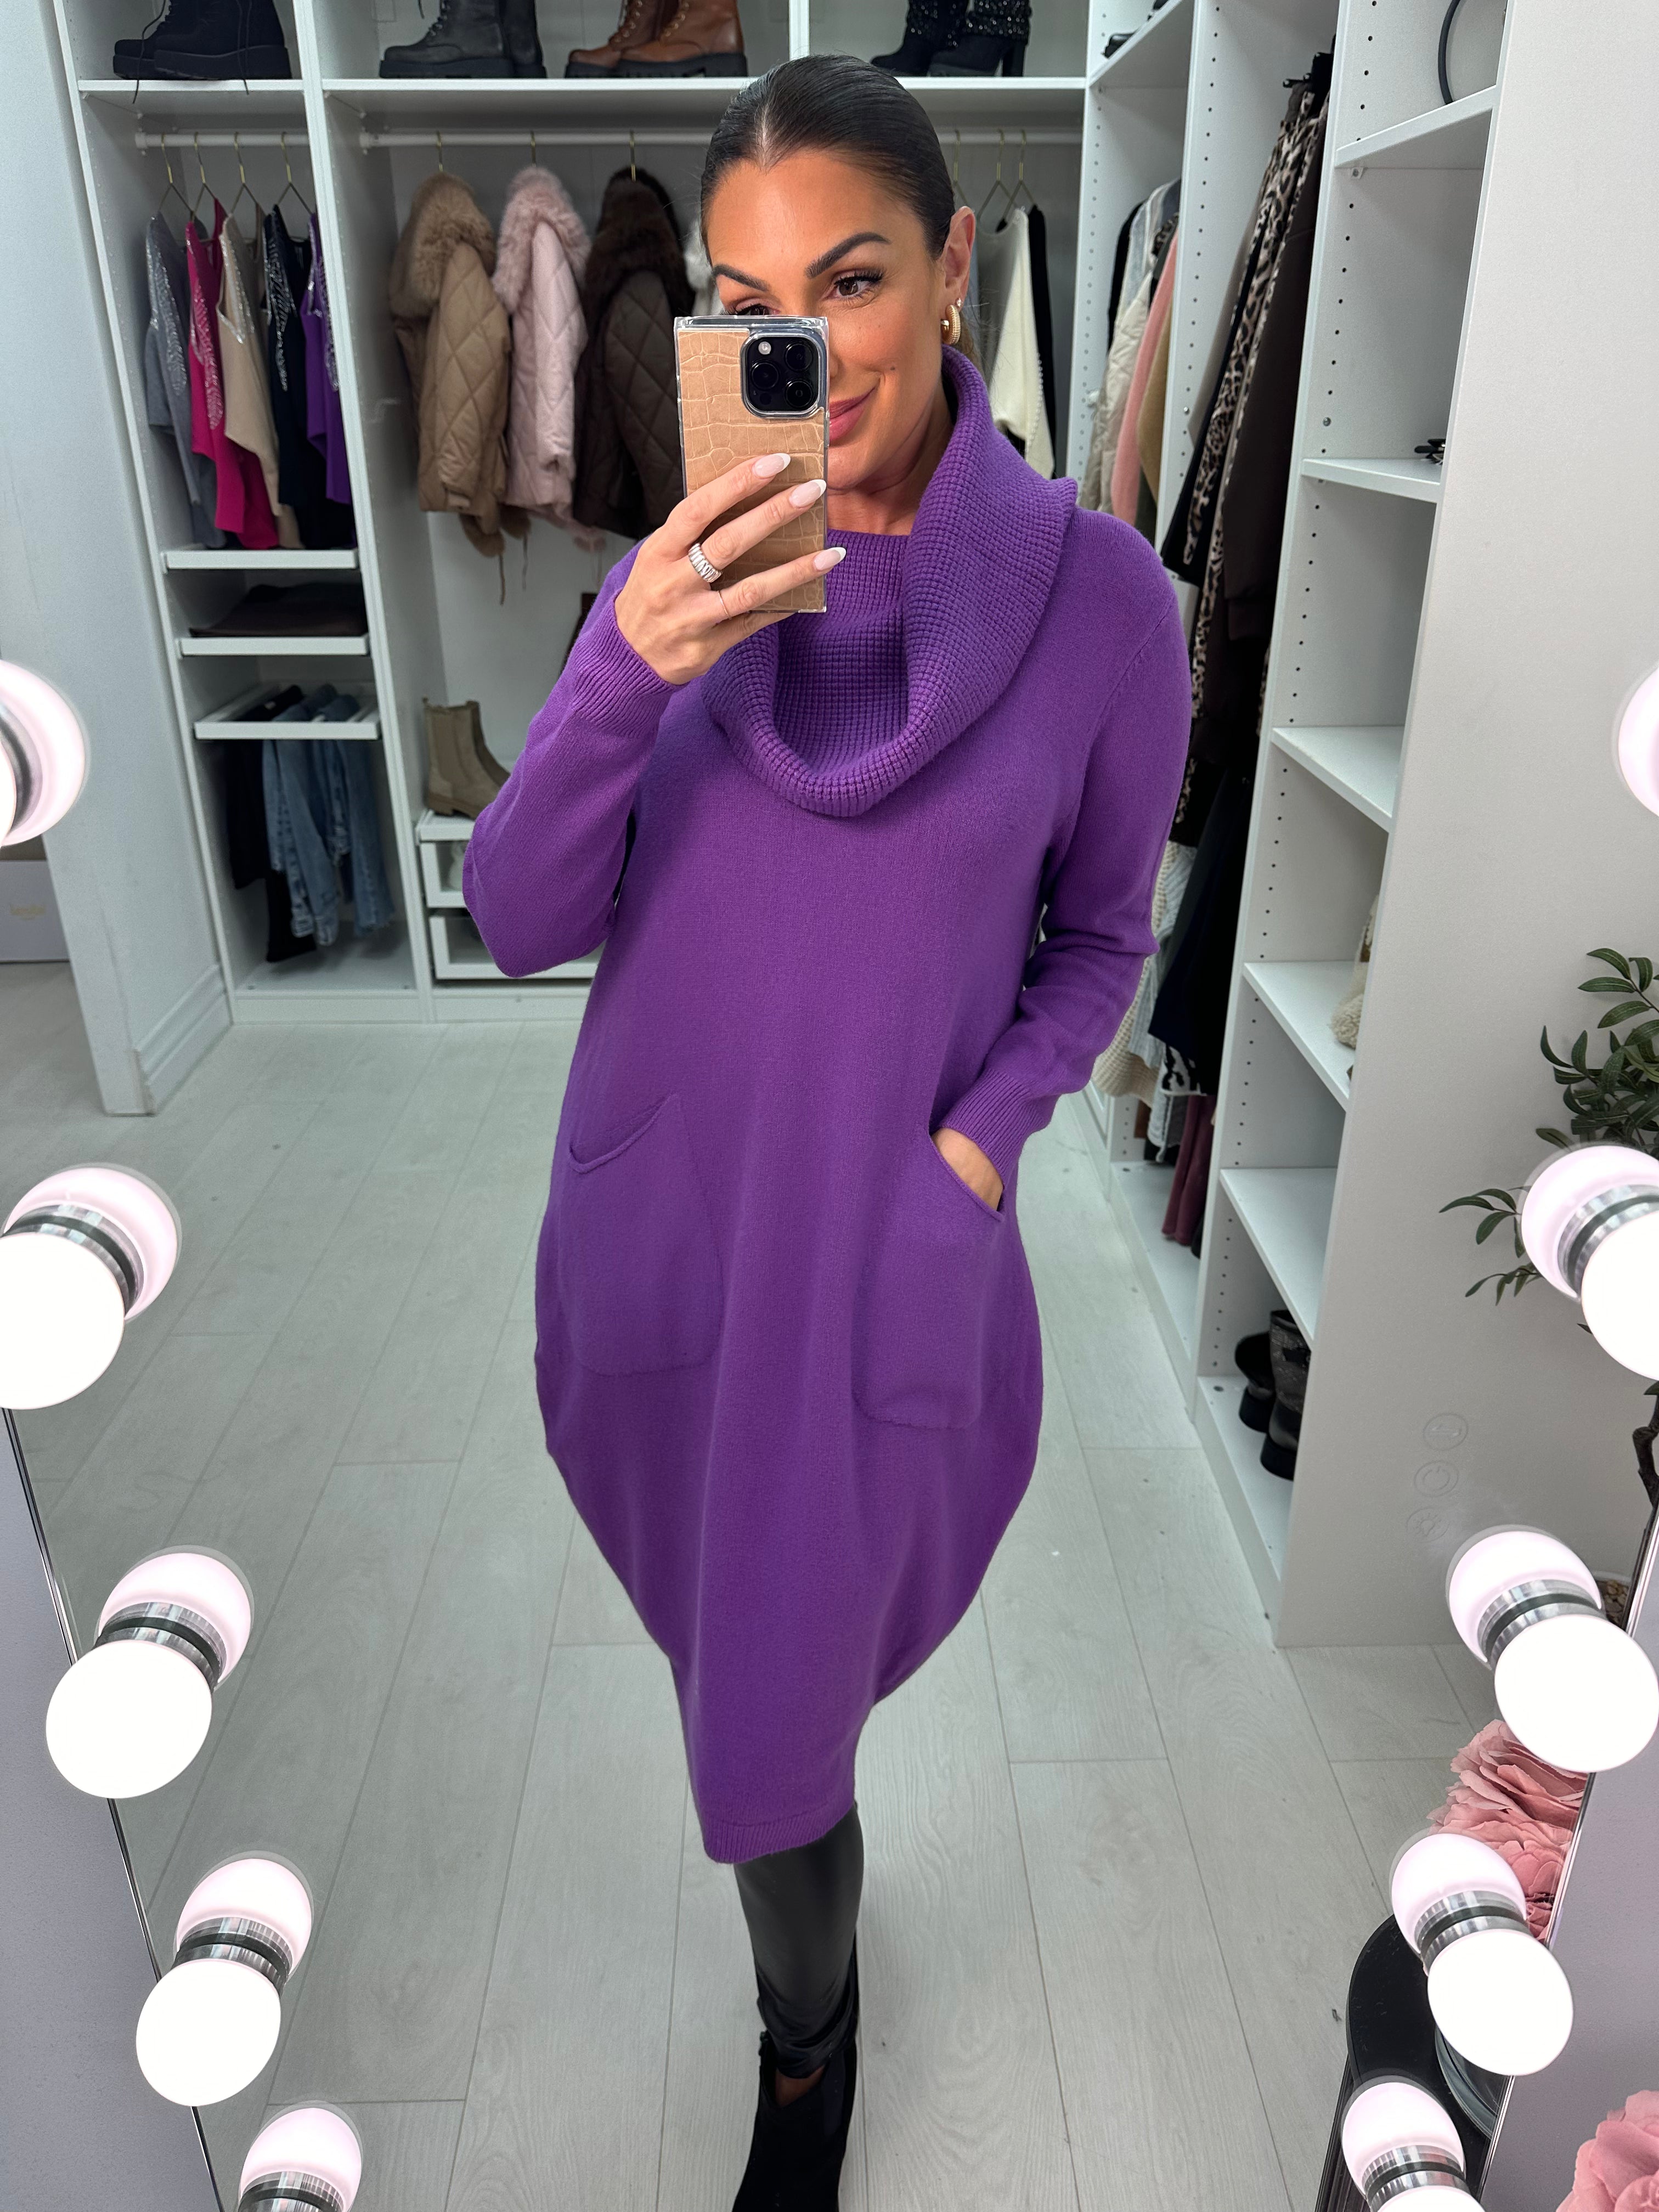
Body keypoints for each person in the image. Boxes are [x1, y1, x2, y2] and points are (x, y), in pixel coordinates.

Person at [464, 54, 1189, 2210]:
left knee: (769, 1737)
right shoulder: (671, 577)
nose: (807, 349)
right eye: (749, 303)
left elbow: (1105, 939)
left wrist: (976, 1150)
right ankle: (811, 2000)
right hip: (662, 1236)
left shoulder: (1105, 611)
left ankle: (809, 2045)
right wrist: (628, 667)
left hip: (878, 1253)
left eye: (853, 280)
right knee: (732, 1664)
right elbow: (519, 918)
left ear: (957, 269)